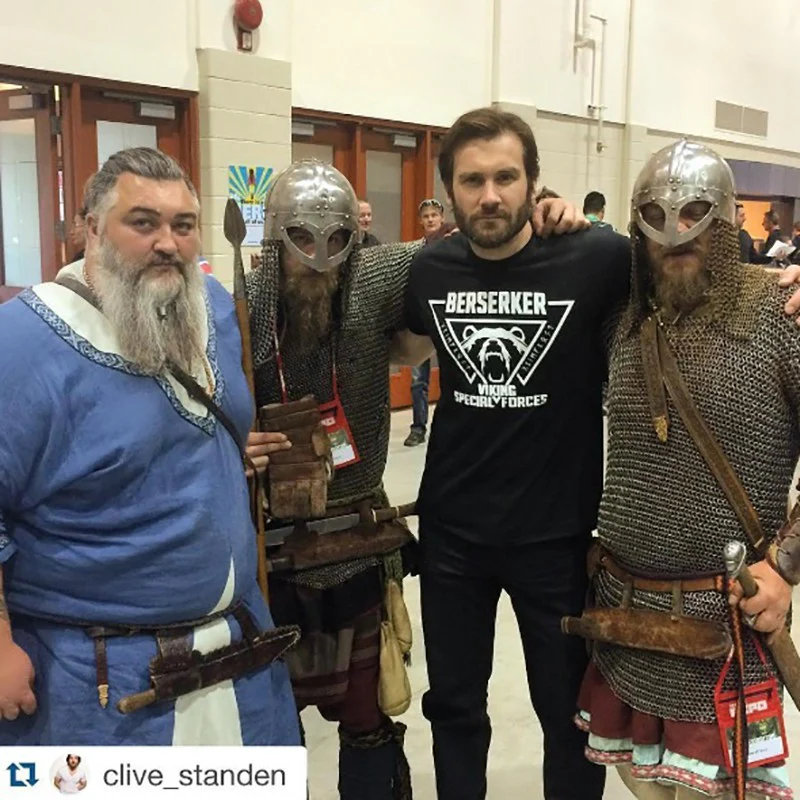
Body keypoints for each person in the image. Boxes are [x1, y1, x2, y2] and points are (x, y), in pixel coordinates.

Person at [243, 158, 584, 799]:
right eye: (301, 239)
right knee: (269, 722)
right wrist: (234, 441)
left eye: (336, 239)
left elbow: (475, 242)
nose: (318, 258)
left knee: (368, 716)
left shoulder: (376, 277)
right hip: (269, 546)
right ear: (274, 235)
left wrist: (546, 210)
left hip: (360, 536)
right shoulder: (239, 304)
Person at [0, 147, 299, 745]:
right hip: (98, 683)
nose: (168, 242)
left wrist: (226, 454)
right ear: (91, 227)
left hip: (241, 658)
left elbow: (170, 426)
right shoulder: (20, 344)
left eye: (183, 225)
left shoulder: (210, 305)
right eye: (143, 223)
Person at [400, 106, 632, 800]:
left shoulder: (597, 258)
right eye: (472, 181)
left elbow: (694, 276)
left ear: (534, 182)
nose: (490, 196)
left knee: (568, 716)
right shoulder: (430, 268)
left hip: (555, 538)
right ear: (448, 190)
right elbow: (392, 344)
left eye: (506, 177)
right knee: (454, 709)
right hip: (452, 534)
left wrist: (776, 288)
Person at [570, 139, 800, 799]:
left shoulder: (778, 315)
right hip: (626, 617)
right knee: (644, 788)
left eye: (697, 214)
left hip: (724, 621)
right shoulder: (622, 324)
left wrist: (784, 567)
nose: (677, 233)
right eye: (656, 217)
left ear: (726, 223)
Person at [404, 199, 456, 448]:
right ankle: (418, 427)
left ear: (442, 217)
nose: (431, 219)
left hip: (450, 319)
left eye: (435, 215)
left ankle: (451, 428)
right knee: (418, 380)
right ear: (421, 221)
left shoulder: (454, 241)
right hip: (424, 321)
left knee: (453, 376)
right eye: (426, 216)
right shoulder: (416, 251)